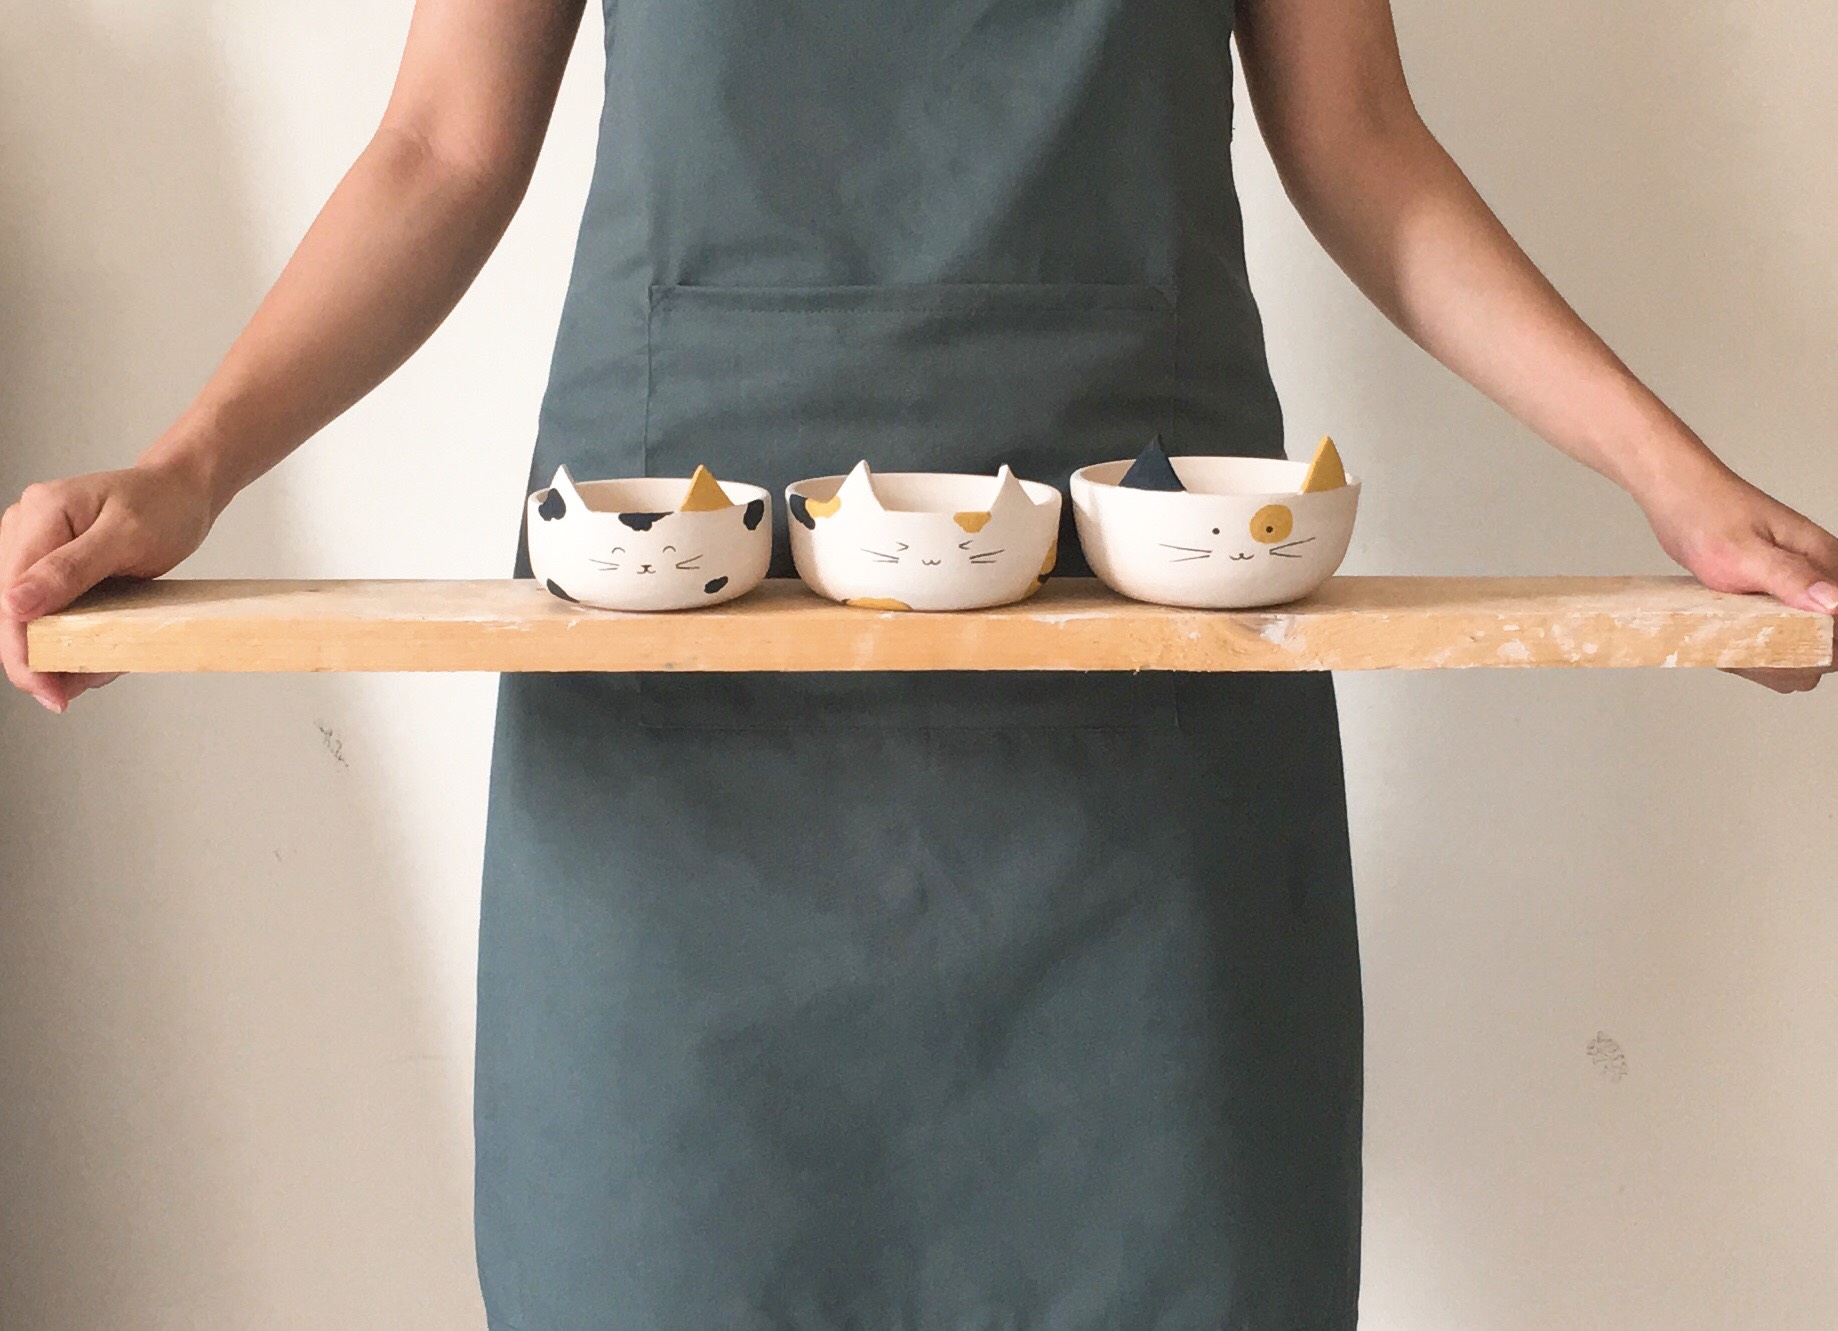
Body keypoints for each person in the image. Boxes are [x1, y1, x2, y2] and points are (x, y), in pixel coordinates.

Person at [3, 0, 1832, 1326]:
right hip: (681, 699)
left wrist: (1669, 477)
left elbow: (1357, 142)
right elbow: (438, 148)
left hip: (1141, 681)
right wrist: (193, 464)